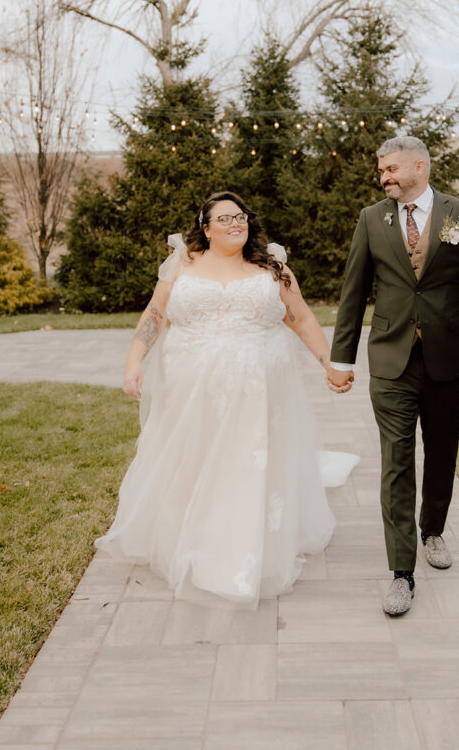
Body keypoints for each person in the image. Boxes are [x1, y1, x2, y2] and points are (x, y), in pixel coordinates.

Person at [95, 191, 358, 608]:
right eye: (225, 218)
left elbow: (301, 317)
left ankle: (244, 545)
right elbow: (156, 314)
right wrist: (134, 360)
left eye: (242, 217)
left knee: (246, 462)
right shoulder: (183, 263)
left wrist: (328, 362)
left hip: (259, 390)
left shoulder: (272, 266)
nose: (237, 224)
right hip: (190, 388)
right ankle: (191, 538)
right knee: (193, 458)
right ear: (206, 227)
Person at [329, 137, 459, 617]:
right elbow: (354, 290)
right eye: (381, 171)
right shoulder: (373, 219)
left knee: (441, 451)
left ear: (419, 166)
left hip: (445, 356)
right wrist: (342, 358)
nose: (384, 177)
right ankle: (401, 573)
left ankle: (432, 529)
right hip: (390, 359)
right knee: (396, 459)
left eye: (391, 169)